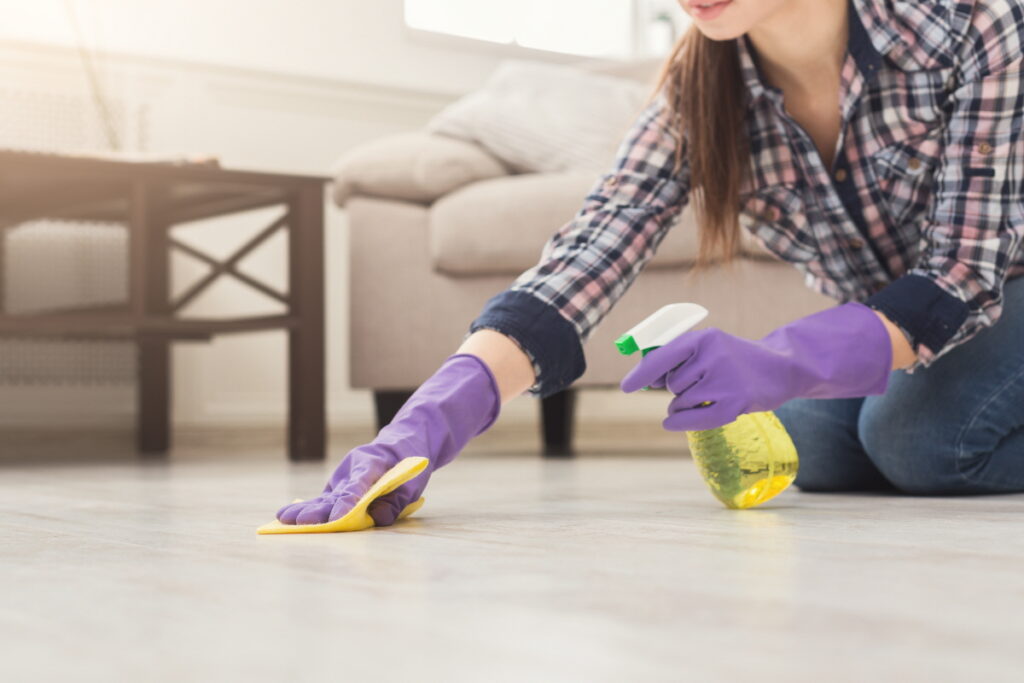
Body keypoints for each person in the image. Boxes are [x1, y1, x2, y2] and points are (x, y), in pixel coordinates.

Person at [275, 0, 1024, 526]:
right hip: (906, 331)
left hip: (1003, 287)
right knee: (808, 445)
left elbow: (962, 273)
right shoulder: (697, 91)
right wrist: (429, 419)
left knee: (917, 443)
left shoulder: (972, 23)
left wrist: (784, 355)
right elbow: (588, 251)